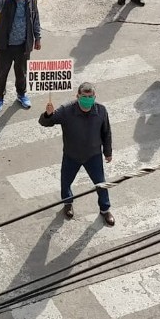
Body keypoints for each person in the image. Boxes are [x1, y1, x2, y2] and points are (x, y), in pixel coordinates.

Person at [38, 82, 115, 226]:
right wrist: (48, 115)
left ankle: (105, 209)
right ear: (77, 96)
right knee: (65, 182)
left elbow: (106, 132)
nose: (87, 99)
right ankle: (67, 202)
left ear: (94, 96)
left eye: (90, 96)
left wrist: (108, 152)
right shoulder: (66, 110)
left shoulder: (101, 111)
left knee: (101, 184)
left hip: (93, 156)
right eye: (84, 96)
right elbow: (46, 122)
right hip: (71, 155)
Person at [0, 0, 41, 113]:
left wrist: (38, 38)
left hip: (23, 46)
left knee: (22, 73)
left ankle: (22, 95)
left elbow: (35, 20)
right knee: (1, 73)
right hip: (6, 46)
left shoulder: (31, 0)